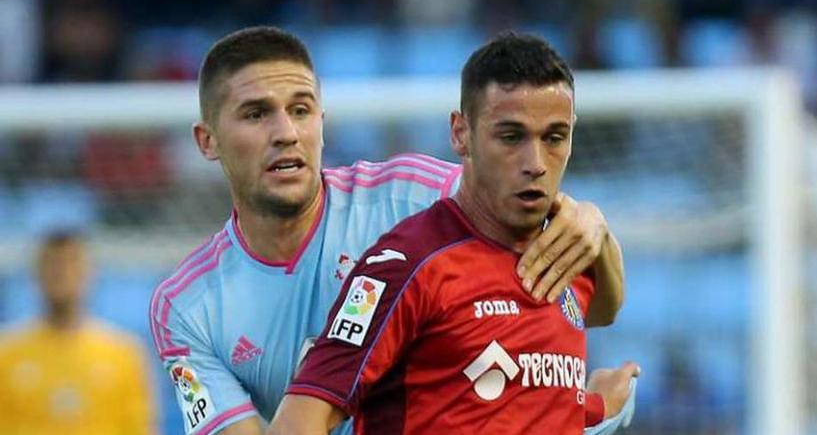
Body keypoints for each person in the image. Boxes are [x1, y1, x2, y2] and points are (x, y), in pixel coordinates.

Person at [149, 26, 625, 435]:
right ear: (206, 141)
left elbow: (528, 209)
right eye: (256, 114)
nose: (286, 133)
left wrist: (591, 222)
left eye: (300, 110)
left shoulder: (412, 195)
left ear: (322, 122)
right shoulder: (186, 306)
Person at [0, 230, 156, 435]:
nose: (62, 273)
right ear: (36, 274)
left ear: (90, 273)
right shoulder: (7, 353)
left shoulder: (124, 354)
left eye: (71, 263)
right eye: (52, 264)